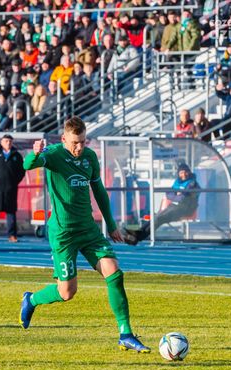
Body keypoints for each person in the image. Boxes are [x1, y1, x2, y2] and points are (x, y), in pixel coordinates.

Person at [19, 116, 150, 353]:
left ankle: (125, 334)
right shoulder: (53, 154)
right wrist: (35, 153)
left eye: (82, 142)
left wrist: (111, 224)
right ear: (63, 139)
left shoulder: (89, 157)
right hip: (63, 233)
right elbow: (28, 165)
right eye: (74, 143)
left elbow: (98, 190)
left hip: (88, 229)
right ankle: (32, 299)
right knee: (67, 292)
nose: (79, 147)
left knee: (114, 272)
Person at [123, 163, 200, 245]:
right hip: (174, 206)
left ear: (189, 172)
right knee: (156, 217)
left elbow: (183, 198)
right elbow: (169, 194)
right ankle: (137, 234)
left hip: (184, 209)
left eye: (185, 172)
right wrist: (177, 195)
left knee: (159, 219)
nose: (184, 175)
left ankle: (138, 236)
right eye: (181, 172)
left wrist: (176, 195)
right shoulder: (177, 182)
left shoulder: (193, 184)